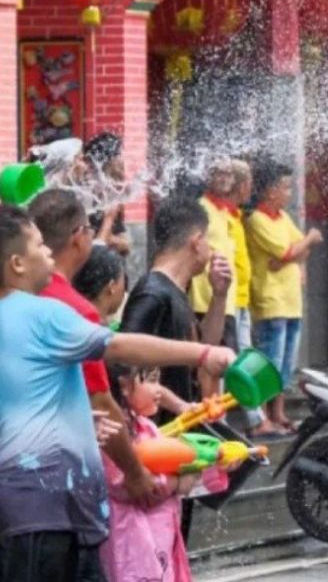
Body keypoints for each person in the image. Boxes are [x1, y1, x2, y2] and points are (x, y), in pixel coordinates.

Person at [0, 204, 235, 582]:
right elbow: (119, 346)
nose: (49, 252)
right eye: (39, 246)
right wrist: (204, 353)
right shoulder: (43, 313)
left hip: (31, 508)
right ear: (17, 264)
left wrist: (72, 418)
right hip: (47, 508)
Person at [28, 189, 160, 509]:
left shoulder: (20, 294)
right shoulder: (74, 309)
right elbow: (99, 400)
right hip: (60, 478)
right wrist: (134, 471)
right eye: (89, 229)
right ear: (77, 237)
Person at [122, 197, 232, 417]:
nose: (210, 248)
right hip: (159, 433)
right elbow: (124, 368)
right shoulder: (152, 293)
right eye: (208, 239)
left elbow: (204, 348)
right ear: (197, 241)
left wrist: (219, 296)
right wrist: (180, 406)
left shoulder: (176, 291)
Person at [98, 364, 193, 582]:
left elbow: (176, 462)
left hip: (160, 534)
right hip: (129, 536)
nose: (158, 389)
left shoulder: (146, 427)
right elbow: (121, 483)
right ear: (124, 385)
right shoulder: (111, 431)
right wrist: (176, 483)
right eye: (151, 381)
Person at [246, 161, 322, 433]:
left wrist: (293, 254)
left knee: (286, 365)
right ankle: (262, 418)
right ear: (269, 190)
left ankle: (278, 414)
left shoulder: (283, 217)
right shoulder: (257, 219)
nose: (289, 192)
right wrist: (306, 241)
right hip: (271, 301)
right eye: (285, 187)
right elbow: (291, 251)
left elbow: (296, 252)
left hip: (291, 302)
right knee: (270, 362)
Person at [189, 159, 239, 400]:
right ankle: (207, 411)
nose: (225, 178)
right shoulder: (201, 208)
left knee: (221, 363)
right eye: (220, 173)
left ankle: (216, 414)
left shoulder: (225, 210)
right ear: (208, 176)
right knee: (206, 363)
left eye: (229, 174)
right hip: (204, 297)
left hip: (225, 298)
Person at [228, 159, 271, 436]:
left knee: (245, 356)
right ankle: (255, 420)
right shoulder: (221, 215)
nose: (251, 188)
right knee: (242, 359)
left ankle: (258, 416)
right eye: (249, 183)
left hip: (240, 298)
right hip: (229, 300)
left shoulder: (235, 214)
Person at [82, 132, 131, 257]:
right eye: (119, 154)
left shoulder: (110, 196)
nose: (124, 161)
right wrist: (108, 221)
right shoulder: (86, 200)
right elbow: (92, 252)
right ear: (108, 162)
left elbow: (126, 247)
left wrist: (110, 239)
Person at [72, 244, 127, 328]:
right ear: (111, 286)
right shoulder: (99, 333)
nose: (124, 290)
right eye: (122, 281)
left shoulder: (68, 319)